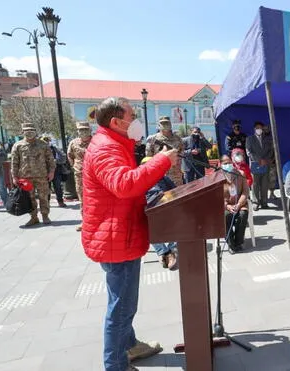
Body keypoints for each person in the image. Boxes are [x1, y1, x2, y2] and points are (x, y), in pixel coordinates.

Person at [81, 97, 179, 371]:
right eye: (132, 116)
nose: (136, 121)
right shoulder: (105, 148)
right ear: (116, 122)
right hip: (114, 237)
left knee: (123, 303)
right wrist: (160, 162)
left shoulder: (114, 144)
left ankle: (130, 346)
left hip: (119, 232)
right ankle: (115, 365)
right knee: (121, 308)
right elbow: (124, 185)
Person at [10, 123, 56, 226]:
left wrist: (51, 172)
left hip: (42, 176)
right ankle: (33, 217)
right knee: (30, 199)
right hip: (25, 177)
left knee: (43, 197)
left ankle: (45, 216)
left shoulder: (43, 144)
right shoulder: (18, 145)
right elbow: (14, 162)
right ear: (23, 132)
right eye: (27, 131)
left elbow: (50, 160)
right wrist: (14, 176)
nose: (29, 133)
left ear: (35, 132)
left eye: (31, 131)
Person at [142, 157, 178, 268]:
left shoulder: (163, 178)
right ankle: (164, 252)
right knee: (147, 228)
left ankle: (171, 249)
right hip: (150, 211)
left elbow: (176, 191)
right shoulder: (141, 181)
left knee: (179, 221)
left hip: (166, 208)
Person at [67, 121, 93, 231]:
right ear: (77, 131)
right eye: (81, 130)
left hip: (94, 176)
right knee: (83, 200)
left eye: (85, 129)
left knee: (95, 199)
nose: (83, 132)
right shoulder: (73, 143)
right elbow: (70, 156)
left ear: (90, 130)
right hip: (80, 175)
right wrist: (76, 167)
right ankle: (85, 222)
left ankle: (96, 222)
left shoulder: (95, 142)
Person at [221, 155, 249, 252]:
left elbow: (245, 192)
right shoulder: (217, 177)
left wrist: (239, 204)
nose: (228, 165)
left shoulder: (240, 174)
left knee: (243, 215)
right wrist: (227, 206)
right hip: (225, 206)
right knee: (226, 216)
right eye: (225, 163)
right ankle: (231, 244)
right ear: (220, 165)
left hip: (239, 204)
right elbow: (216, 197)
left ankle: (238, 242)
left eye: (229, 163)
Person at [146, 116, 184, 186]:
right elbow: (148, 158)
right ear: (159, 125)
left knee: (179, 195)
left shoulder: (178, 139)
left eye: (167, 123)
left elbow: (181, 154)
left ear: (170, 124)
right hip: (160, 176)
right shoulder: (153, 139)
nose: (165, 125)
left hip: (176, 176)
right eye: (163, 123)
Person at [246, 121, 273, 210]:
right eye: (257, 128)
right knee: (255, 184)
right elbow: (249, 152)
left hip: (265, 164)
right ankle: (255, 202)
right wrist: (259, 160)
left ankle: (264, 202)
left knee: (265, 184)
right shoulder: (250, 139)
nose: (259, 129)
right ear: (254, 129)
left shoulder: (268, 139)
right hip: (255, 165)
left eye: (260, 128)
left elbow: (271, 151)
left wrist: (266, 160)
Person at [41, 136, 68, 208]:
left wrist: (56, 161)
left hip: (56, 171)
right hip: (44, 171)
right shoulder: (40, 149)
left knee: (58, 187)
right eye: (44, 140)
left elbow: (63, 157)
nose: (46, 142)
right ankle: (47, 203)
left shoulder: (54, 148)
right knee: (46, 188)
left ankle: (60, 201)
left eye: (47, 140)